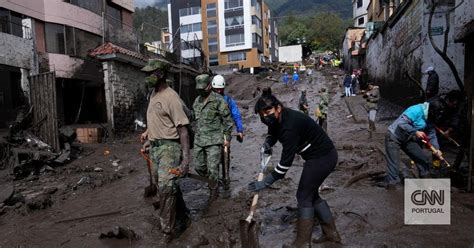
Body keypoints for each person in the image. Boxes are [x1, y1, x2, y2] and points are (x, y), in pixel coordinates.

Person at [248, 91, 341, 246]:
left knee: (303, 196)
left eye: (268, 112)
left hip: (322, 158)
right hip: (319, 156)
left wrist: (266, 182)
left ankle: (302, 243)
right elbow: (272, 132)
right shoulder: (279, 119)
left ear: (278, 108)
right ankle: (332, 234)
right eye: (261, 114)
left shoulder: (289, 127)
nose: (265, 117)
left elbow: (285, 164)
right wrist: (268, 143)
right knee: (311, 195)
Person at [140, 59, 191, 242]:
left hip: (170, 148)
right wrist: (149, 136)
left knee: (166, 188)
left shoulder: (171, 98)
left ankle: (166, 232)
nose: (147, 77)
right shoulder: (153, 95)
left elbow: (183, 130)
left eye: (150, 73)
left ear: (161, 74)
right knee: (169, 186)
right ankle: (184, 216)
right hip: (156, 147)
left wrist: (185, 161)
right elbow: (159, 120)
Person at [377, 100, 445, 189]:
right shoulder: (416, 110)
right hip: (394, 136)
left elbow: (431, 134)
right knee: (394, 164)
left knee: (422, 158)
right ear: (431, 111)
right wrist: (415, 131)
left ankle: (425, 180)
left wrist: (436, 149)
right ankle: (392, 184)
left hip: (408, 138)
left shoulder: (431, 117)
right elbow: (402, 123)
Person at [192, 74, 233, 203]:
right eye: (198, 89)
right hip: (199, 141)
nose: (201, 91)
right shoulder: (197, 101)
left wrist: (227, 138)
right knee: (199, 167)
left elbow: (228, 121)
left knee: (213, 168)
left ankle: (213, 193)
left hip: (214, 141)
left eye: (202, 88)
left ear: (209, 86)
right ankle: (213, 181)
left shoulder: (219, 100)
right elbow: (194, 119)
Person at [211, 75, 244, 196]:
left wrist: (240, 130)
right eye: (216, 89)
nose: (219, 91)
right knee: (212, 159)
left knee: (225, 156)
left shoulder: (229, 101)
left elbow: (236, 115)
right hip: (211, 134)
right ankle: (214, 182)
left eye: (221, 89)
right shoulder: (208, 100)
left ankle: (226, 179)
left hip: (225, 133)